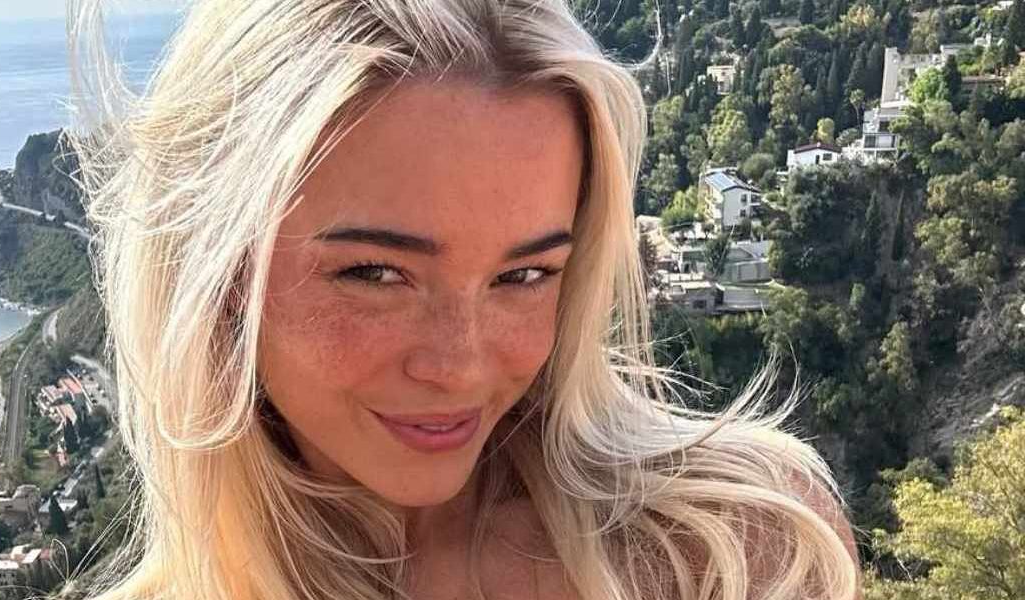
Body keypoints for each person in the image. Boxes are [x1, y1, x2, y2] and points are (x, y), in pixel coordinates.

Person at [63, 0, 862, 598]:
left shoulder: (732, 551)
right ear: (222, 270)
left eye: (524, 276)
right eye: (376, 274)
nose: (460, 367)